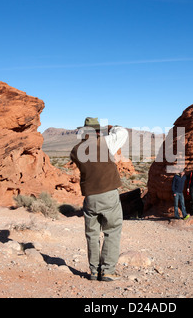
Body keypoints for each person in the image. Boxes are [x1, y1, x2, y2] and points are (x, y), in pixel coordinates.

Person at [70, 117, 128, 282]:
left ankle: (94, 272)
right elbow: (122, 133)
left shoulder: (75, 150)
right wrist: (112, 128)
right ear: (97, 131)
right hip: (108, 193)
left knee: (92, 234)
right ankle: (108, 271)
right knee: (112, 230)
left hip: (90, 197)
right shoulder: (105, 142)